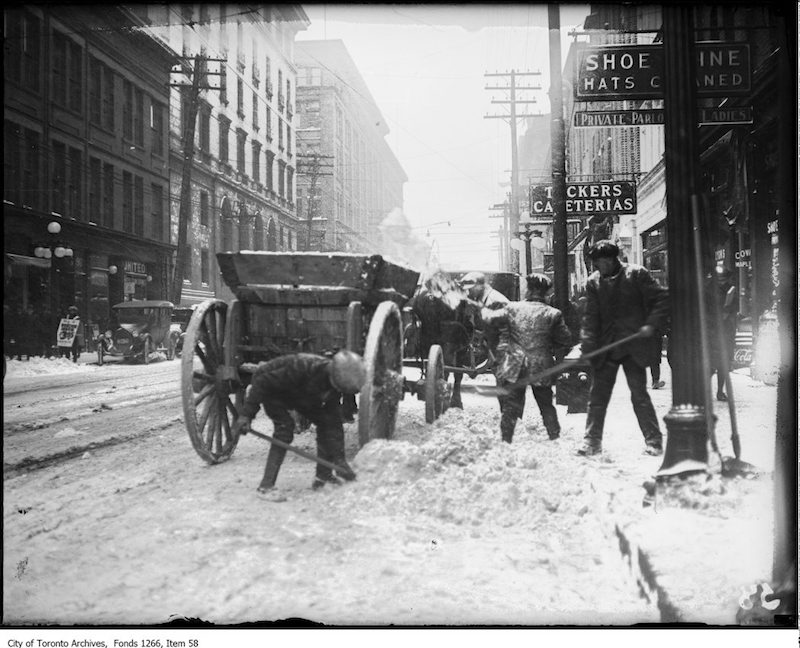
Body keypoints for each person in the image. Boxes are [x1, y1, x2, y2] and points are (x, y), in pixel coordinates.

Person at [231, 350, 366, 498]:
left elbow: (333, 423)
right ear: (332, 375)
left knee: (326, 423)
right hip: (274, 390)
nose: (336, 391)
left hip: (299, 394)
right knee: (284, 429)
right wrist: (246, 415)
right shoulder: (304, 367)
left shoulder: (334, 385)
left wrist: (340, 461)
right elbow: (262, 381)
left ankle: (322, 477)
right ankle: (266, 486)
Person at [578, 240, 669, 457]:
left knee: (639, 395)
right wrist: (588, 346)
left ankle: (654, 440)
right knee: (598, 396)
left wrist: (650, 324)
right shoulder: (594, 283)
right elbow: (590, 318)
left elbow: (662, 299)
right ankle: (592, 441)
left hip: (633, 347)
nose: (601, 267)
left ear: (614, 259)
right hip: (606, 348)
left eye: (604, 262)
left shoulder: (637, 274)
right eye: (597, 263)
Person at [482, 273, 573, 443]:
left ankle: (506, 440)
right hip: (541, 365)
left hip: (515, 364)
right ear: (546, 293)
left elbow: (495, 327)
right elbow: (565, 339)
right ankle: (554, 437)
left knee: (510, 406)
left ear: (528, 290)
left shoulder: (511, 308)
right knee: (546, 404)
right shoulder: (553, 314)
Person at [707, 267, 738, 401]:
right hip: (711, 331)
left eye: (724, 279)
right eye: (719, 278)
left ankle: (720, 391)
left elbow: (735, 308)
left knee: (723, 364)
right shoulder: (708, 289)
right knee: (709, 363)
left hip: (725, 331)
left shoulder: (731, 290)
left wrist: (727, 310)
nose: (721, 281)